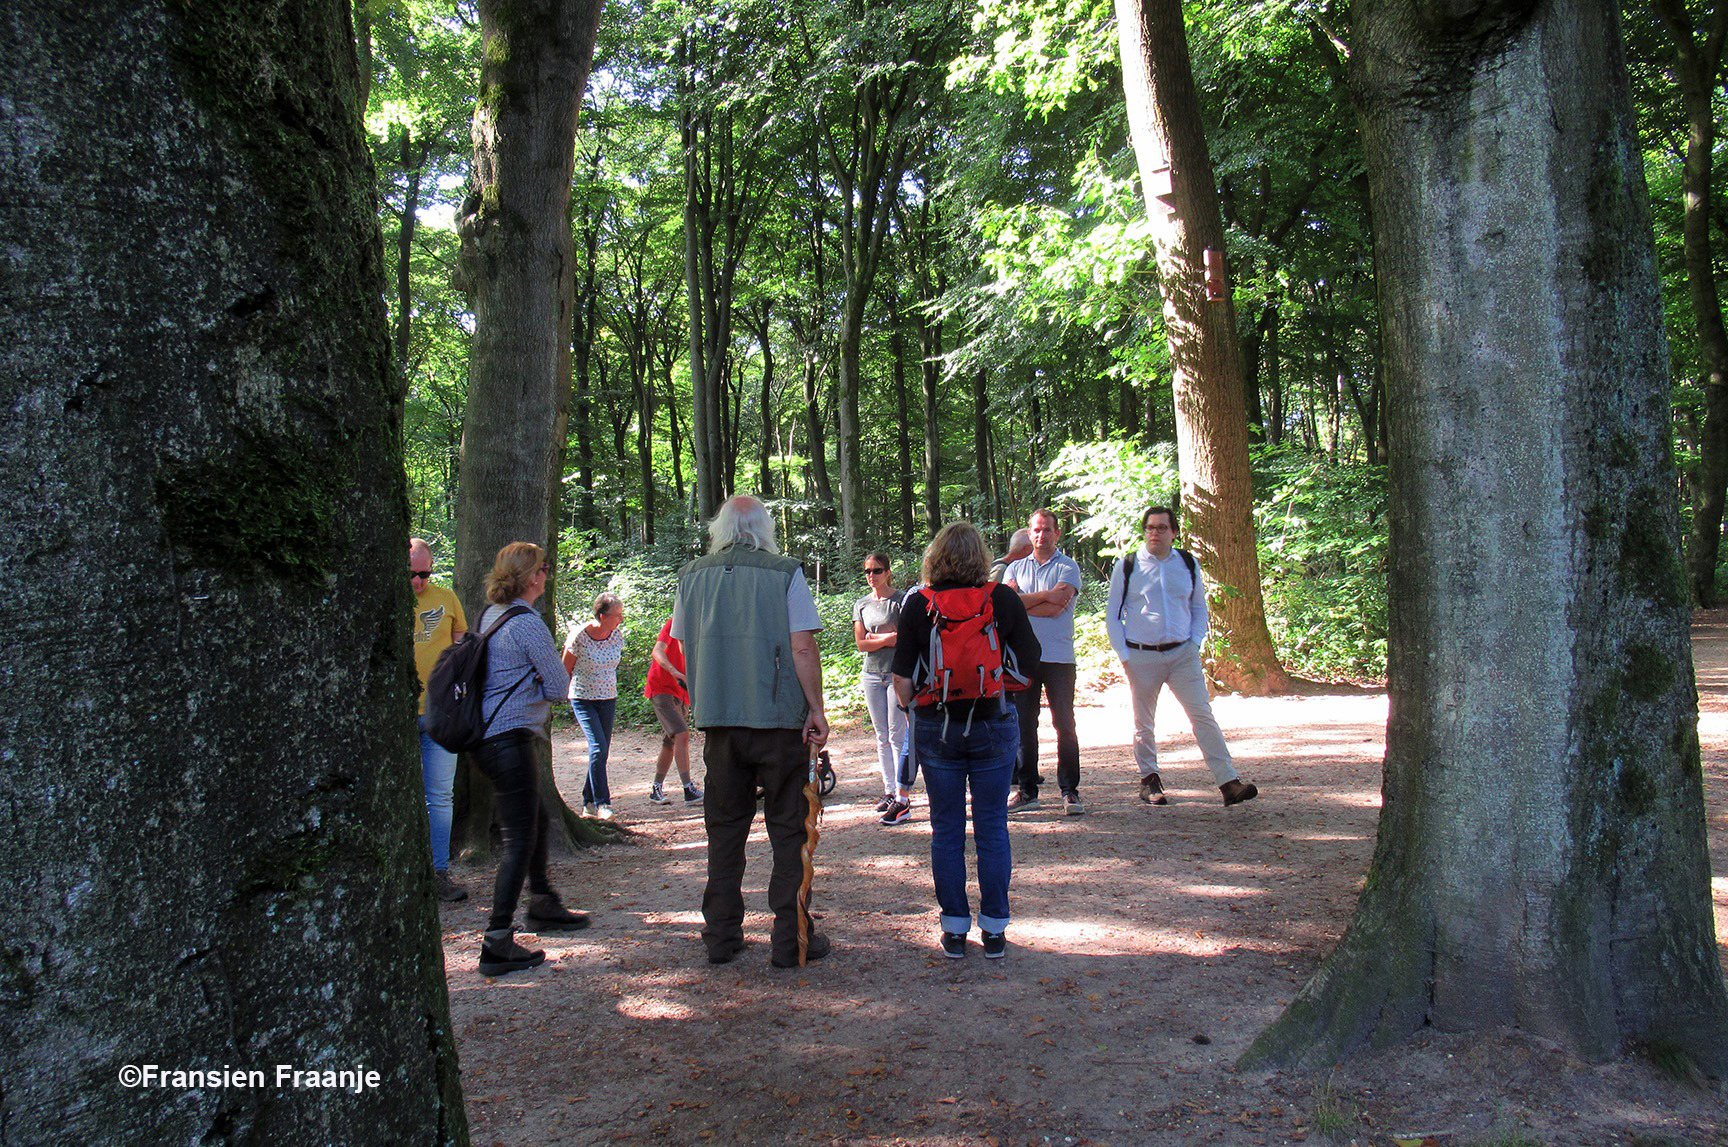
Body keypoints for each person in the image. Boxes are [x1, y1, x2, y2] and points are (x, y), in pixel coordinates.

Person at [672, 495, 830, 969]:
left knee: (724, 831)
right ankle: (791, 940)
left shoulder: (692, 575)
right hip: (779, 721)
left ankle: (720, 936)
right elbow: (802, 647)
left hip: (719, 723)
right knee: (789, 831)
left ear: (721, 528)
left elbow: (683, 642)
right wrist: (816, 710)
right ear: (765, 528)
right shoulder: (785, 572)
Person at [893, 522, 1041, 960]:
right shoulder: (1002, 599)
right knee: (993, 826)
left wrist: (914, 708)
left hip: (936, 728)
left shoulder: (918, 604)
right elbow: (1030, 664)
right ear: (981, 557)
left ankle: (955, 928)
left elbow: (902, 680)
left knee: (947, 830)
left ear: (934, 557)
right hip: (994, 722)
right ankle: (994, 928)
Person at [472, 542, 591, 977]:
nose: (548, 573)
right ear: (532, 577)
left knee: (536, 818)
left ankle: (543, 902)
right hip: (510, 738)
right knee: (520, 837)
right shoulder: (528, 624)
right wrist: (541, 683)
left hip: (487, 738)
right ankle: (496, 941)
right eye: (544, 568)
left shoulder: (489, 616)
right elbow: (560, 687)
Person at [1106, 506, 1259, 807]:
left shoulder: (1188, 563)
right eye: (1150, 527)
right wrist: (1125, 656)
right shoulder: (1128, 565)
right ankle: (1149, 781)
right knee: (1144, 722)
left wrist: (1195, 643)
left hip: (1182, 654)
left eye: (1162, 528)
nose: (1155, 533)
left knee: (1202, 715)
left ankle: (1228, 782)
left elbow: (1199, 607)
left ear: (1173, 532)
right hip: (1141, 655)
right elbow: (1113, 615)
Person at [1004, 509, 1084, 815]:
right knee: (1024, 725)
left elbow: (1056, 610)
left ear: (1057, 533)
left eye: (1047, 530)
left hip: (1060, 658)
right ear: (1029, 532)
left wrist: (1025, 602)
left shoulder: (1068, 567)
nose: (1041, 535)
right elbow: (1013, 606)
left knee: (1065, 724)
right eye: (1036, 530)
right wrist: (1047, 596)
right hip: (1023, 659)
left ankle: (1070, 790)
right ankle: (1027, 791)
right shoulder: (1015, 568)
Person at [410, 537, 469, 903]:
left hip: (438, 714)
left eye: (424, 574)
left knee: (440, 795)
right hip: (396, 714)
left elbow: (461, 642)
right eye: (411, 574)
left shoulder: (446, 598)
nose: (418, 582)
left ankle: (439, 871)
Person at [853, 551, 908, 822]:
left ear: (887, 572)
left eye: (876, 570)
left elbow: (905, 639)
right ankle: (888, 791)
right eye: (867, 571)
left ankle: (902, 793)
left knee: (897, 735)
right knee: (881, 735)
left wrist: (879, 637)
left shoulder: (901, 601)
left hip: (896, 674)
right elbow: (861, 644)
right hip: (872, 675)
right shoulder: (861, 605)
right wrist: (888, 638)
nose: (871, 576)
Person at [563, 592, 625, 819]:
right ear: (601, 615)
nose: (620, 619)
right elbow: (566, 668)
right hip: (583, 698)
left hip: (608, 698)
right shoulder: (579, 636)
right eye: (616, 615)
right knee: (598, 748)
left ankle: (587, 801)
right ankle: (602, 803)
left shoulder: (616, 635)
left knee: (602, 751)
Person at [645, 614, 703, 805]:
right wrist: (674, 672)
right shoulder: (675, 624)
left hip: (680, 691)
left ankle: (656, 789)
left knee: (670, 742)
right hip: (662, 687)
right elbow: (657, 651)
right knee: (681, 734)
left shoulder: (702, 630)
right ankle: (688, 789)